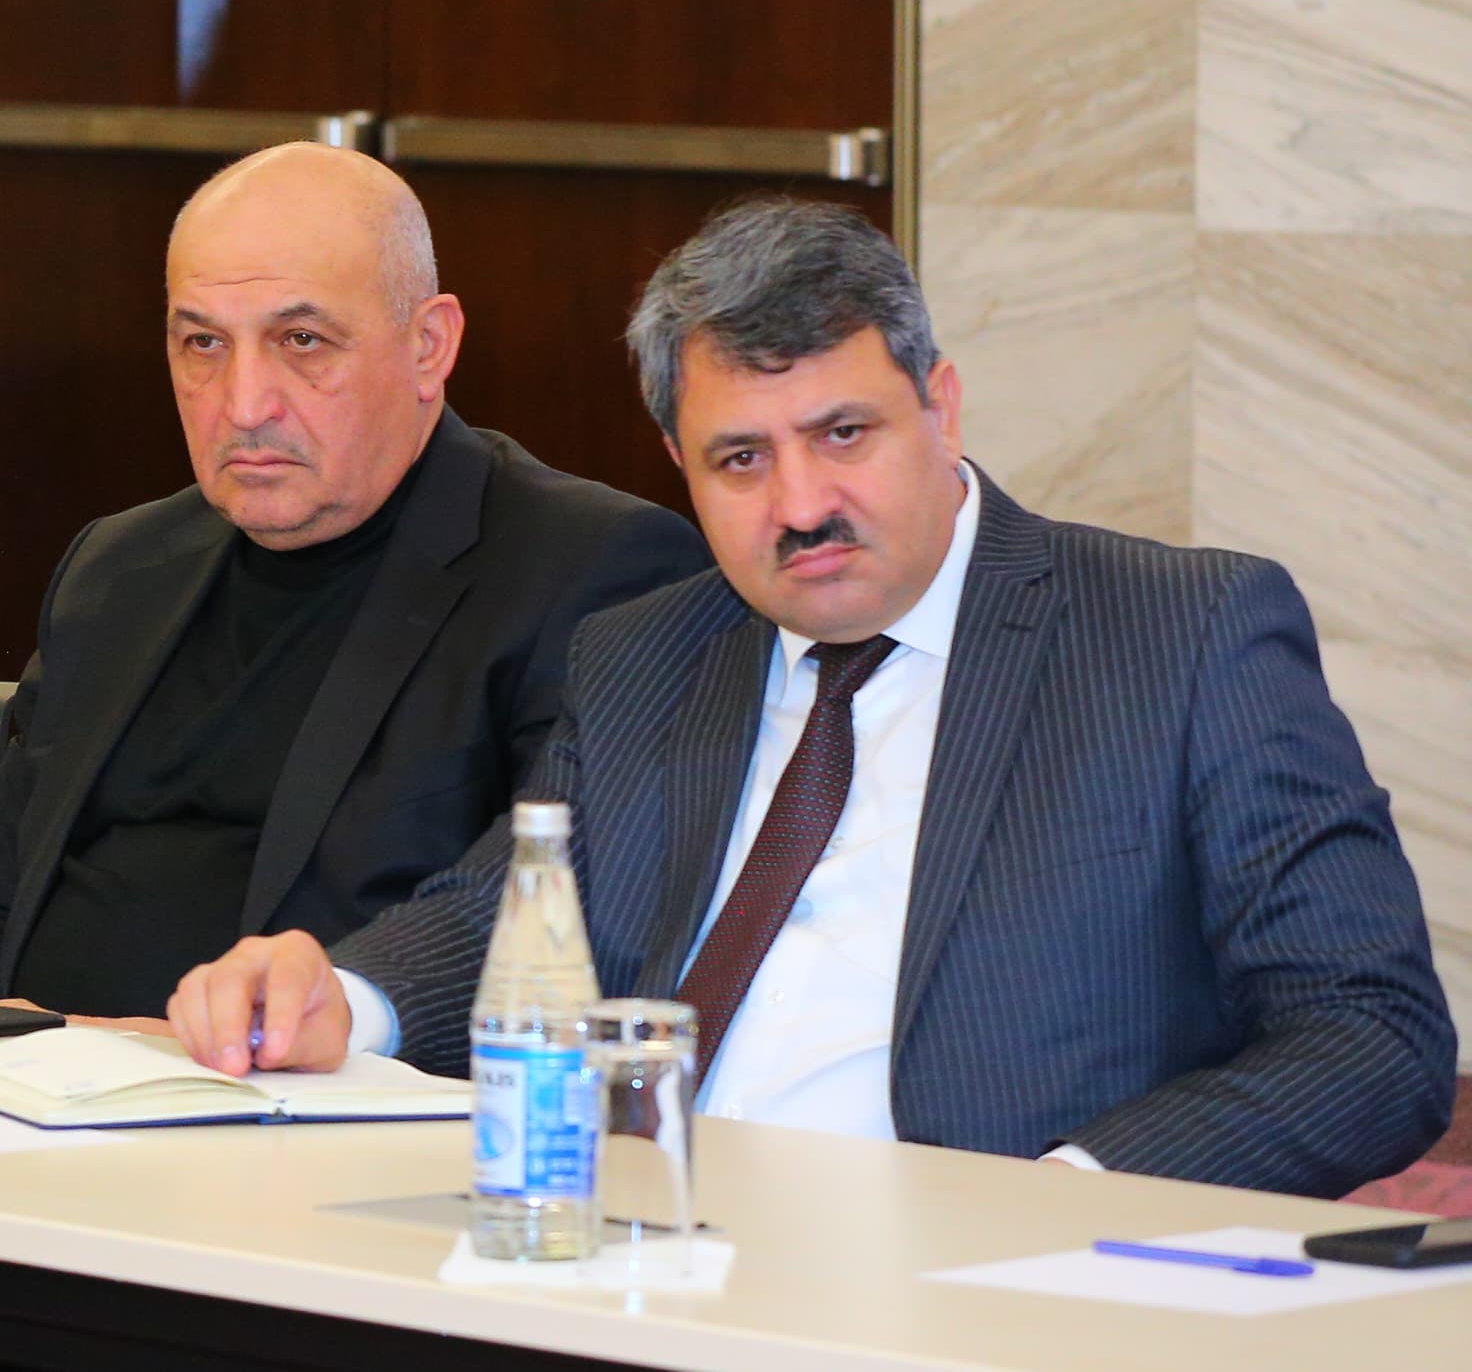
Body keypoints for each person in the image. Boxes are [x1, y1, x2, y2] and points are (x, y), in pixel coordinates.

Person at [167, 197, 1456, 1199]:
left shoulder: (1176, 638)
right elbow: (505, 912)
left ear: (939, 407)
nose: (798, 505)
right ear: (675, 463)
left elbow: (1370, 1033)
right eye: (739, 458)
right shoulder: (646, 652)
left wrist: (1066, 1196)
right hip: (633, 1250)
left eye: (842, 434)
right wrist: (342, 996)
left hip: (973, 1277)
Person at [0, 145, 700, 1014]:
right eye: (203, 342)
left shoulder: (590, 570)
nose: (244, 403)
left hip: (313, 1086)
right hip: (18, 1081)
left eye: (302, 340)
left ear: (429, 345)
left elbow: (562, 931)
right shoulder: (118, 566)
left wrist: (241, 1043)